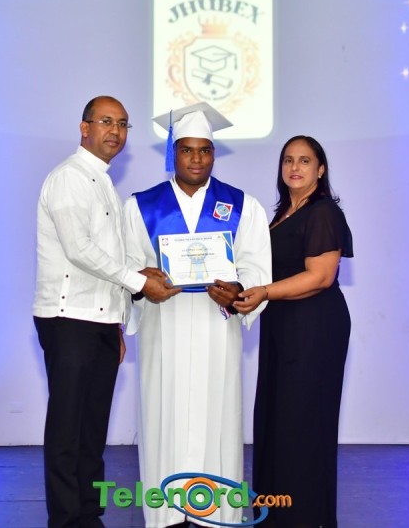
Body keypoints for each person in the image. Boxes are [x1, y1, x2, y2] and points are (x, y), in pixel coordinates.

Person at [123, 103, 272, 528]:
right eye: (187, 149)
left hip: (215, 327)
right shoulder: (141, 206)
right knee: (162, 415)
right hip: (163, 326)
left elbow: (256, 267)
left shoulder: (242, 206)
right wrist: (143, 282)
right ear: (173, 152)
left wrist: (239, 290)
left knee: (217, 416)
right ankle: (165, 513)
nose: (196, 159)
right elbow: (127, 265)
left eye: (204, 150)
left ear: (214, 153)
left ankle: (217, 512)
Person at [33, 95, 179, 528]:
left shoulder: (105, 184)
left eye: (122, 124)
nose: (115, 131)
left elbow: (108, 260)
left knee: (92, 426)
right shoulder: (69, 178)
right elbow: (79, 250)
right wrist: (139, 282)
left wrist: (118, 320)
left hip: (98, 320)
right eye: (106, 122)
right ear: (85, 128)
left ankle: (87, 513)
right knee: (67, 427)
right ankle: (66, 519)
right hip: (68, 318)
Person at [234, 135, 354, 528]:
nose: (295, 167)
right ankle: (277, 515)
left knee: (301, 423)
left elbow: (320, 277)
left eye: (304, 160)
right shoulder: (282, 214)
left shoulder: (323, 213)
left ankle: (303, 517)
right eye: (288, 160)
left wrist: (264, 292)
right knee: (278, 420)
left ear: (321, 169)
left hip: (313, 328)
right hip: (283, 325)